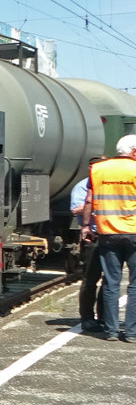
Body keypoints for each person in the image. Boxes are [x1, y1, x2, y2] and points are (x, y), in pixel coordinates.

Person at [80, 135, 136, 341]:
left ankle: (111, 331)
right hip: (133, 233)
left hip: (107, 233)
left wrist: (86, 226)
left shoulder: (99, 169)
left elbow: (89, 200)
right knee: (134, 285)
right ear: (134, 151)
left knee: (111, 283)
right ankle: (131, 332)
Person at [70, 158, 106, 331]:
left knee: (110, 282)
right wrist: (91, 206)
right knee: (90, 279)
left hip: (111, 236)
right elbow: (75, 208)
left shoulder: (110, 184)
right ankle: (87, 317)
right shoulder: (82, 186)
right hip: (92, 236)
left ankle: (104, 317)